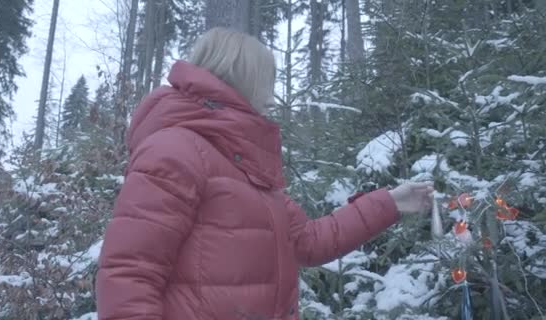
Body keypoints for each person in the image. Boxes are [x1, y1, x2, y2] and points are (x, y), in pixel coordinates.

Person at [95, 27, 433, 320]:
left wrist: (389, 203)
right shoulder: (175, 151)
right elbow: (129, 275)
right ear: (243, 78)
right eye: (266, 81)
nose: (271, 96)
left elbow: (309, 241)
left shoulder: (242, 164)